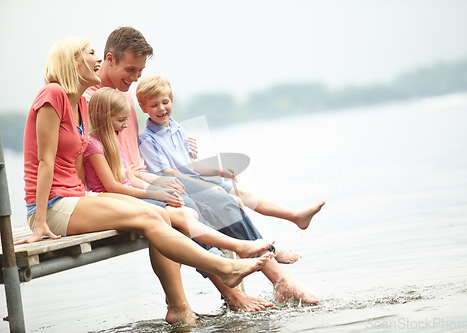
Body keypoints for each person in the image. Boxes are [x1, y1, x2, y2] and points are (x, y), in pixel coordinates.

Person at [16, 36, 274, 325]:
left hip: (75, 199)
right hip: (54, 206)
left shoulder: (77, 106)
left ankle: (182, 304)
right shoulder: (52, 94)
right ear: (71, 60)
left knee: (160, 214)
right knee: (152, 219)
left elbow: (77, 171)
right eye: (90, 53)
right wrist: (39, 223)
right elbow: (44, 162)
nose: (98, 59)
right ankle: (225, 266)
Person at [89, 26, 320, 307]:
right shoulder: (91, 97)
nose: (136, 78)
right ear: (109, 60)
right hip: (133, 183)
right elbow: (97, 155)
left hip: (144, 176)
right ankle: (237, 289)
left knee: (224, 198)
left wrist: (184, 151)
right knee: (190, 209)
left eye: (140, 71)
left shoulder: (124, 92)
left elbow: (133, 146)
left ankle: (278, 280)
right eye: (131, 70)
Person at [84, 87, 275, 260]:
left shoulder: (114, 141)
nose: (125, 126)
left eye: (126, 119)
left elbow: (131, 178)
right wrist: (155, 193)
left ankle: (227, 249)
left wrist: (159, 188)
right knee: (183, 214)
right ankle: (225, 249)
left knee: (189, 203)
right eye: (121, 120)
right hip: (113, 199)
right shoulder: (94, 146)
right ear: (103, 118)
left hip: (131, 194)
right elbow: (113, 186)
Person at [136, 75, 325, 231]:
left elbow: (191, 167)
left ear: (172, 101)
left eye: (165, 102)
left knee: (241, 192)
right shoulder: (148, 140)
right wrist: (204, 185)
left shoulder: (178, 129)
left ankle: (295, 217)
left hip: (195, 182)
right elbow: (168, 173)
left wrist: (218, 171)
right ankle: (249, 248)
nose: (161, 108)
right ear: (144, 108)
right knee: (232, 200)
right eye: (154, 105)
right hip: (182, 189)